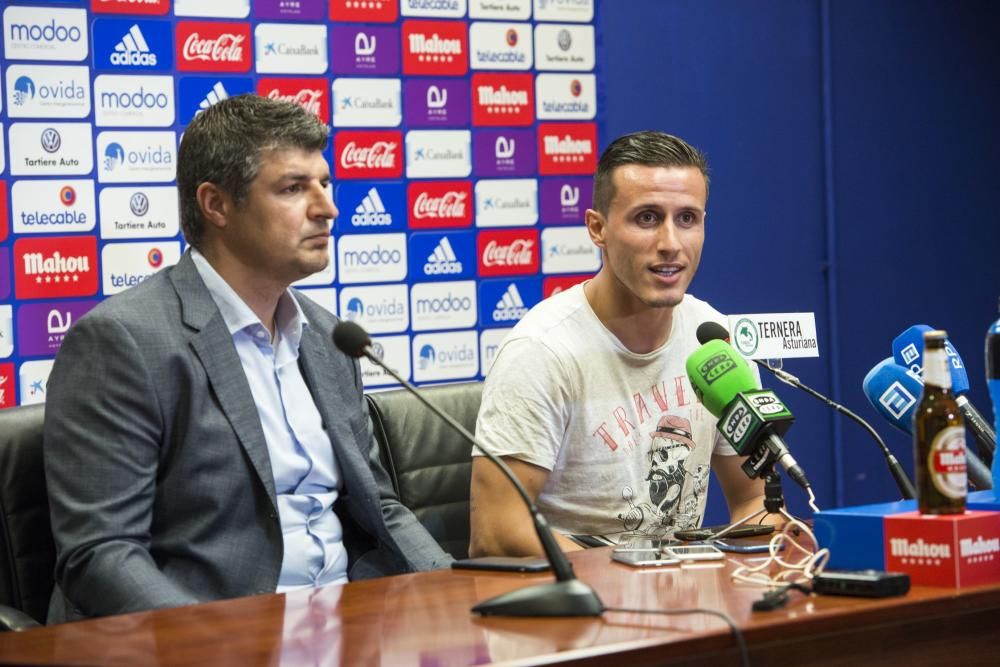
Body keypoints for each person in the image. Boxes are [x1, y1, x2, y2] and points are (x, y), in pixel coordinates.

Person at [43, 95, 452, 622]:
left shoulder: (330, 337)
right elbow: (101, 554)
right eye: (293, 188)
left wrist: (454, 590)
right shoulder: (124, 342)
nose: (327, 207)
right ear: (216, 205)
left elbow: (380, 507)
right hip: (209, 636)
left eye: (324, 184)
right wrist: (214, 644)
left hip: (345, 624)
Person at [470, 131, 773, 556]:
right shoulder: (541, 351)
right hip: (578, 604)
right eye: (647, 218)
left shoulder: (715, 340)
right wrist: (632, 583)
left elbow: (753, 499)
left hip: (689, 600)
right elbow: (497, 533)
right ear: (597, 228)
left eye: (687, 219)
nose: (670, 244)